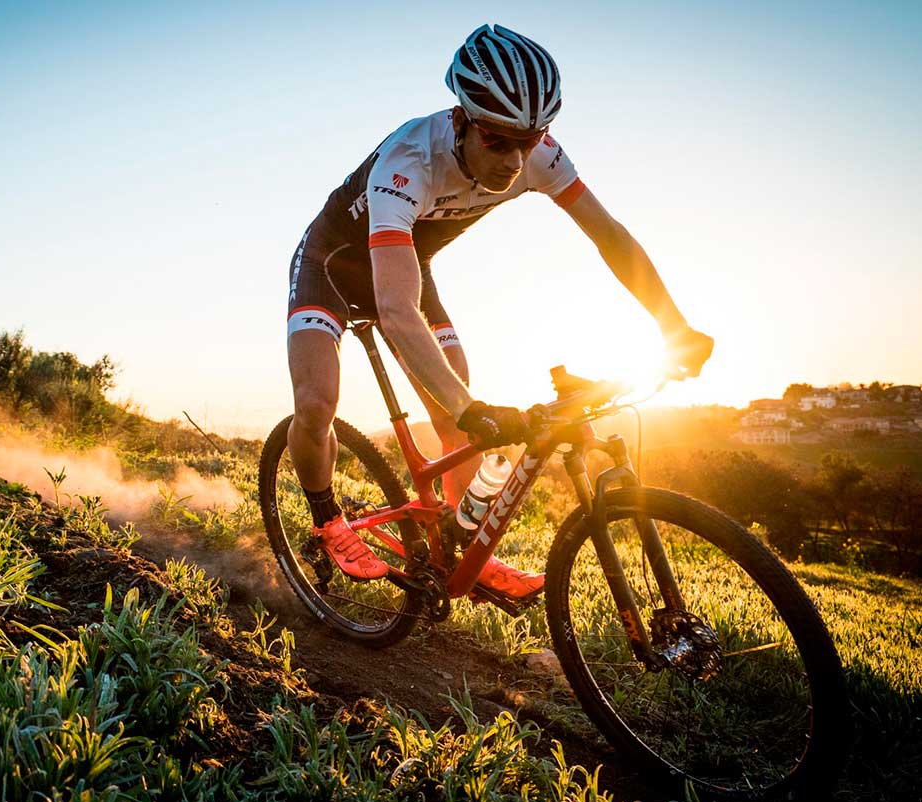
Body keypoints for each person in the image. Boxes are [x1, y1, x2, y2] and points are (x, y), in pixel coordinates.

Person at [285, 24, 713, 598]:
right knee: (318, 403)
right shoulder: (408, 161)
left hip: (408, 267)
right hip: (332, 264)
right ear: (462, 121)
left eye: (530, 140)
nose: (515, 159)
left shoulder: (537, 155)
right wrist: (469, 409)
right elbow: (393, 308)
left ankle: (463, 548)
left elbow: (609, 235)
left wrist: (673, 325)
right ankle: (327, 520)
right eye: (498, 141)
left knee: (453, 411)